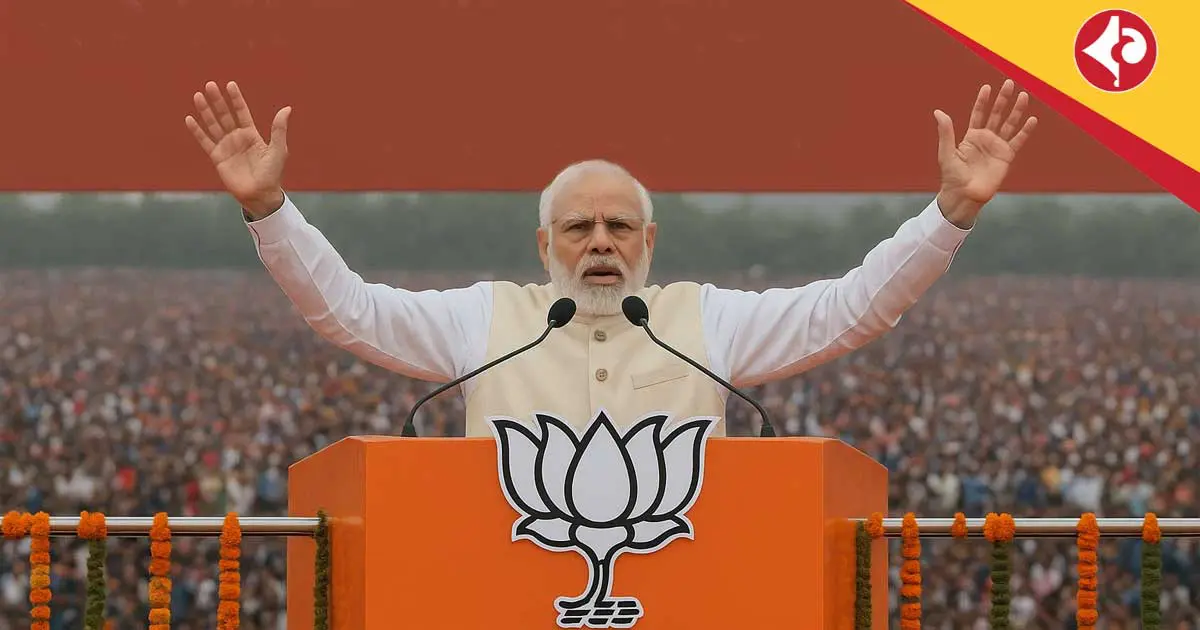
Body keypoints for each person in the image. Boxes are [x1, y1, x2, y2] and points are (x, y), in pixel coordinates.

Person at [184, 79, 1037, 438]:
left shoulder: (704, 320)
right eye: (580, 227)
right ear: (544, 245)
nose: (600, 241)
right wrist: (268, 207)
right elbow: (347, 311)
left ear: (648, 243)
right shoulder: (487, 319)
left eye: (620, 227)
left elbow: (853, 309)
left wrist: (952, 213)